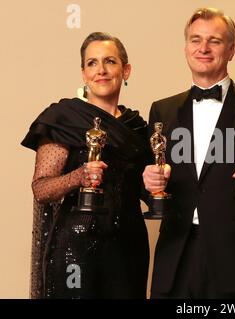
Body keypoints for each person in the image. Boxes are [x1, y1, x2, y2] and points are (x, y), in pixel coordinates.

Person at [142, 8, 235, 298]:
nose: (204, 48)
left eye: (215, 41)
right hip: (176, 258)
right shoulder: (163, 110)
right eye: (196, 40)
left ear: (231, 50)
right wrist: (148, 182)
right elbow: (154, 189)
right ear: (186, 48)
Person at [21, 32, 150, 298]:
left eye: (110, 62)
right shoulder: (63, 118)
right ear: (83, 73)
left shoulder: (139, 130)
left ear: (126, 70)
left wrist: (160, 182)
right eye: (91, 63)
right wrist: (77, 177)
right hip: (75, 248)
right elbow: (41, 189)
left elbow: (146, 192)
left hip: (129, 249)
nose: (100, 70)